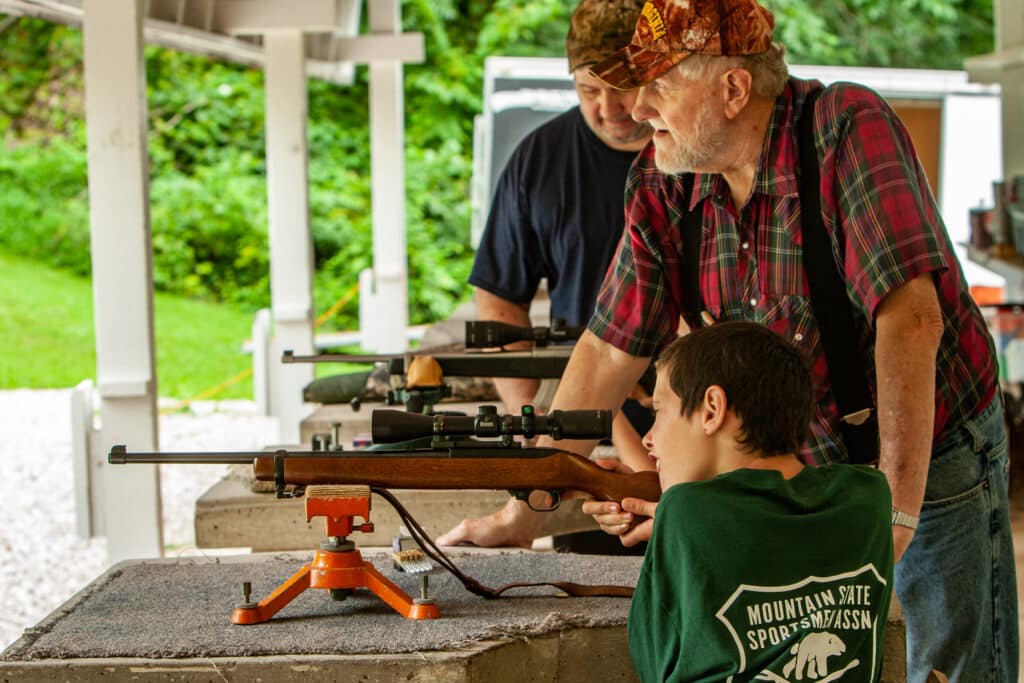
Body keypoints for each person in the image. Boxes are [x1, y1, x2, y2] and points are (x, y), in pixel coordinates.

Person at [440, 0, 1019, 680]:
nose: (638, 107)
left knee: (941, 663)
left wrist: (891, 510)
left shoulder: (843, 130)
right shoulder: (662, 185)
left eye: (659, 86)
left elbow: (910, 321)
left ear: (733, 89)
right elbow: (605, 350)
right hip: (805, 462)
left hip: (929, 446)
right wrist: (525, 509)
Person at [628, 321, 893, 682]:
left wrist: (671, 531)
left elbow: (652, 660)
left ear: (711, 409)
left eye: (658, 412)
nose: (648, 438)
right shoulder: (869, 498)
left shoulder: (683, 510)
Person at [464, 2, 654, 487]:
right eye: (589, 89)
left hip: (700, 426)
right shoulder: (540, 159)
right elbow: (500, 300)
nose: (607, 110)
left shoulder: (696, 151)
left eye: (622, 89)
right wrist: (532, 420)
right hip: (582, 428)